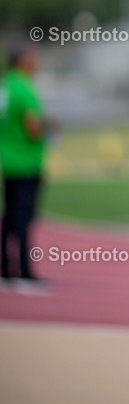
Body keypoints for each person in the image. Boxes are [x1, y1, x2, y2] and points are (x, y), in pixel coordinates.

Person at [0, 39, 52, 293]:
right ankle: (23, 271)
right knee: (23, 218)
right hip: (26, 161)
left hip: (8, 158)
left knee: (9, 216)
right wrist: (49, 127)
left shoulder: (5, 85)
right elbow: (33, 128)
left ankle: (5, 270)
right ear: (23, 60)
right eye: (34, 56)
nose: (38, 62)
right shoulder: (24, 88)